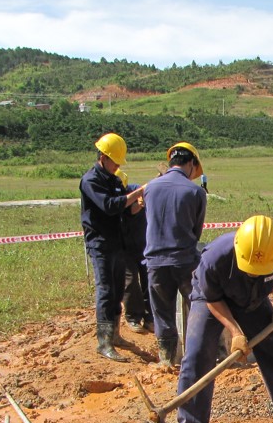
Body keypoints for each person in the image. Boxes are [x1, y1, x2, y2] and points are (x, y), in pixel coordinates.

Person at [175, 215, 273, 423]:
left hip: (254, 300)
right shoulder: (215, 257)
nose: (255, 273)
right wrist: (235, 331)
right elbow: (213, 299)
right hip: (211, 299)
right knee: (198, 355)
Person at [79, 133, 146, 362]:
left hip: (118, 242)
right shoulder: (91, 181)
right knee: (106, 291)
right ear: (103, 157)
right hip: (100, 244)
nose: (117, 166)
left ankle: (115, 334)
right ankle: (104, 342)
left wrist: (137, 205)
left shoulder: (114, 180)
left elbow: (125, 211)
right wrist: (135, 193)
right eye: (115, 161)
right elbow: (108, 206)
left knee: (117, 289)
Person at [144, 142, 208, 367]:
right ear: (191, 164)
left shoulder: (150, 188)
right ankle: (199, 356)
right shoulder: (195, 191)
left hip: (155, 262)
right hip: (185, 261)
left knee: (162, 313)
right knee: (198, 306)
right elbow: (196, 231)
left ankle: (168, 359)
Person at [117, 168, 153, 334]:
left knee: (149, 281)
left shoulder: (135, 190)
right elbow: (130, 212)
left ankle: (150, 317)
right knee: (130, 282)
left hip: (143, 245)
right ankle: (133, 317)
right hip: (124, 247)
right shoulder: (113, 199)